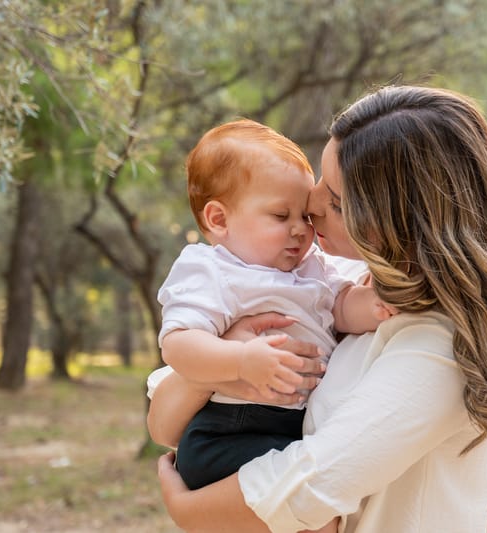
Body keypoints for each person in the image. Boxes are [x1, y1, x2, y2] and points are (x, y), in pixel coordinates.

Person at [148, 85, 487, 533]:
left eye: (337, 203)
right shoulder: (335, 279)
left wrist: (185, 509)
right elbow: (164, 426)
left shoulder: (439, 343)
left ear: (401, 221)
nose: (312, 206)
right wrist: (230, 355)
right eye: (321, 181)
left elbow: (311, 489)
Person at [153, 119, 395, 498]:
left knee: (312, 478)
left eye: (304, 216)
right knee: (308, 484)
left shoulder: (313, 267)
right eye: (282, 216)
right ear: (219, 219)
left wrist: (379, 304)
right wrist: (240, 360)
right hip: (229, 429)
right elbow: (178, 344)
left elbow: (343, 306)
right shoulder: (212, 271)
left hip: (293, 426)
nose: (300, 229)